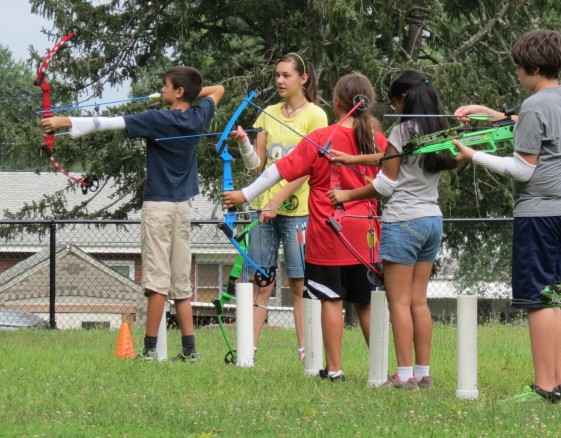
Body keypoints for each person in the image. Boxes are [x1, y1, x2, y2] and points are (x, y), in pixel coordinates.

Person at [40, 66, 225, 362]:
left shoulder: (157, 119)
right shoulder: (198, 115)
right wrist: (189, 94)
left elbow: (108, 122)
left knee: (156, 282)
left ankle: (150, 352)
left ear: (178, 91)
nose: (161, 90)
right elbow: (218, 89)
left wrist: (64, 121)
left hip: (158, 208)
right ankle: (190, 351)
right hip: (182, 208)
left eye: (166, 86)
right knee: (180, 280)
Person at [224, 72, 387, 381]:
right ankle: (379, 372)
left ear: (337, 102)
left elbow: (279, 171)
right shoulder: (377, 140)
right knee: (366, 302)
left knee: (331, 298)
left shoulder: (321, 136)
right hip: (365, 234)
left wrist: (244, 195)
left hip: (329, 233)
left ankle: (335, 370)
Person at [453, 29, 561, 402]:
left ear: (533, 67)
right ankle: (558, 384)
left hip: (539, 213)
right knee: (552, 295)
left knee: (536, 298)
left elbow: (523, 170)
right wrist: (485, 112)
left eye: (519, 69)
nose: (517, 75)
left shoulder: (535, 105)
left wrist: (471, 155)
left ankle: (544, 388)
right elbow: (524, 123)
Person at [328, 70, 458, 390]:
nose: (393, 107)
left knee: (398, 302)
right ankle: (422, 374)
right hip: (431, 222)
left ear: (404, 99)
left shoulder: (402, 130)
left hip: (403, 223)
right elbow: (393, 157)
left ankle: (402, 377)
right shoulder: (437, 130)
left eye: (394, 101)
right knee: (418, 301)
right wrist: (352, 159)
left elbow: (386, 183)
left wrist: (347, 195)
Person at [231, 53, 327, 363]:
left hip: (298, 212)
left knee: (299, 284)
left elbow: (305, 169)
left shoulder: (316, 116)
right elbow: (257, 167)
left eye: (286, 75)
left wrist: (276, 201)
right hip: (264, 211)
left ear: (303, 79)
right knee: (262, 282)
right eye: (277, 75)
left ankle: (305, 352)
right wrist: (245, 143)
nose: (280, 81)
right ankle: (249, 350)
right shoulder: (267, 114)